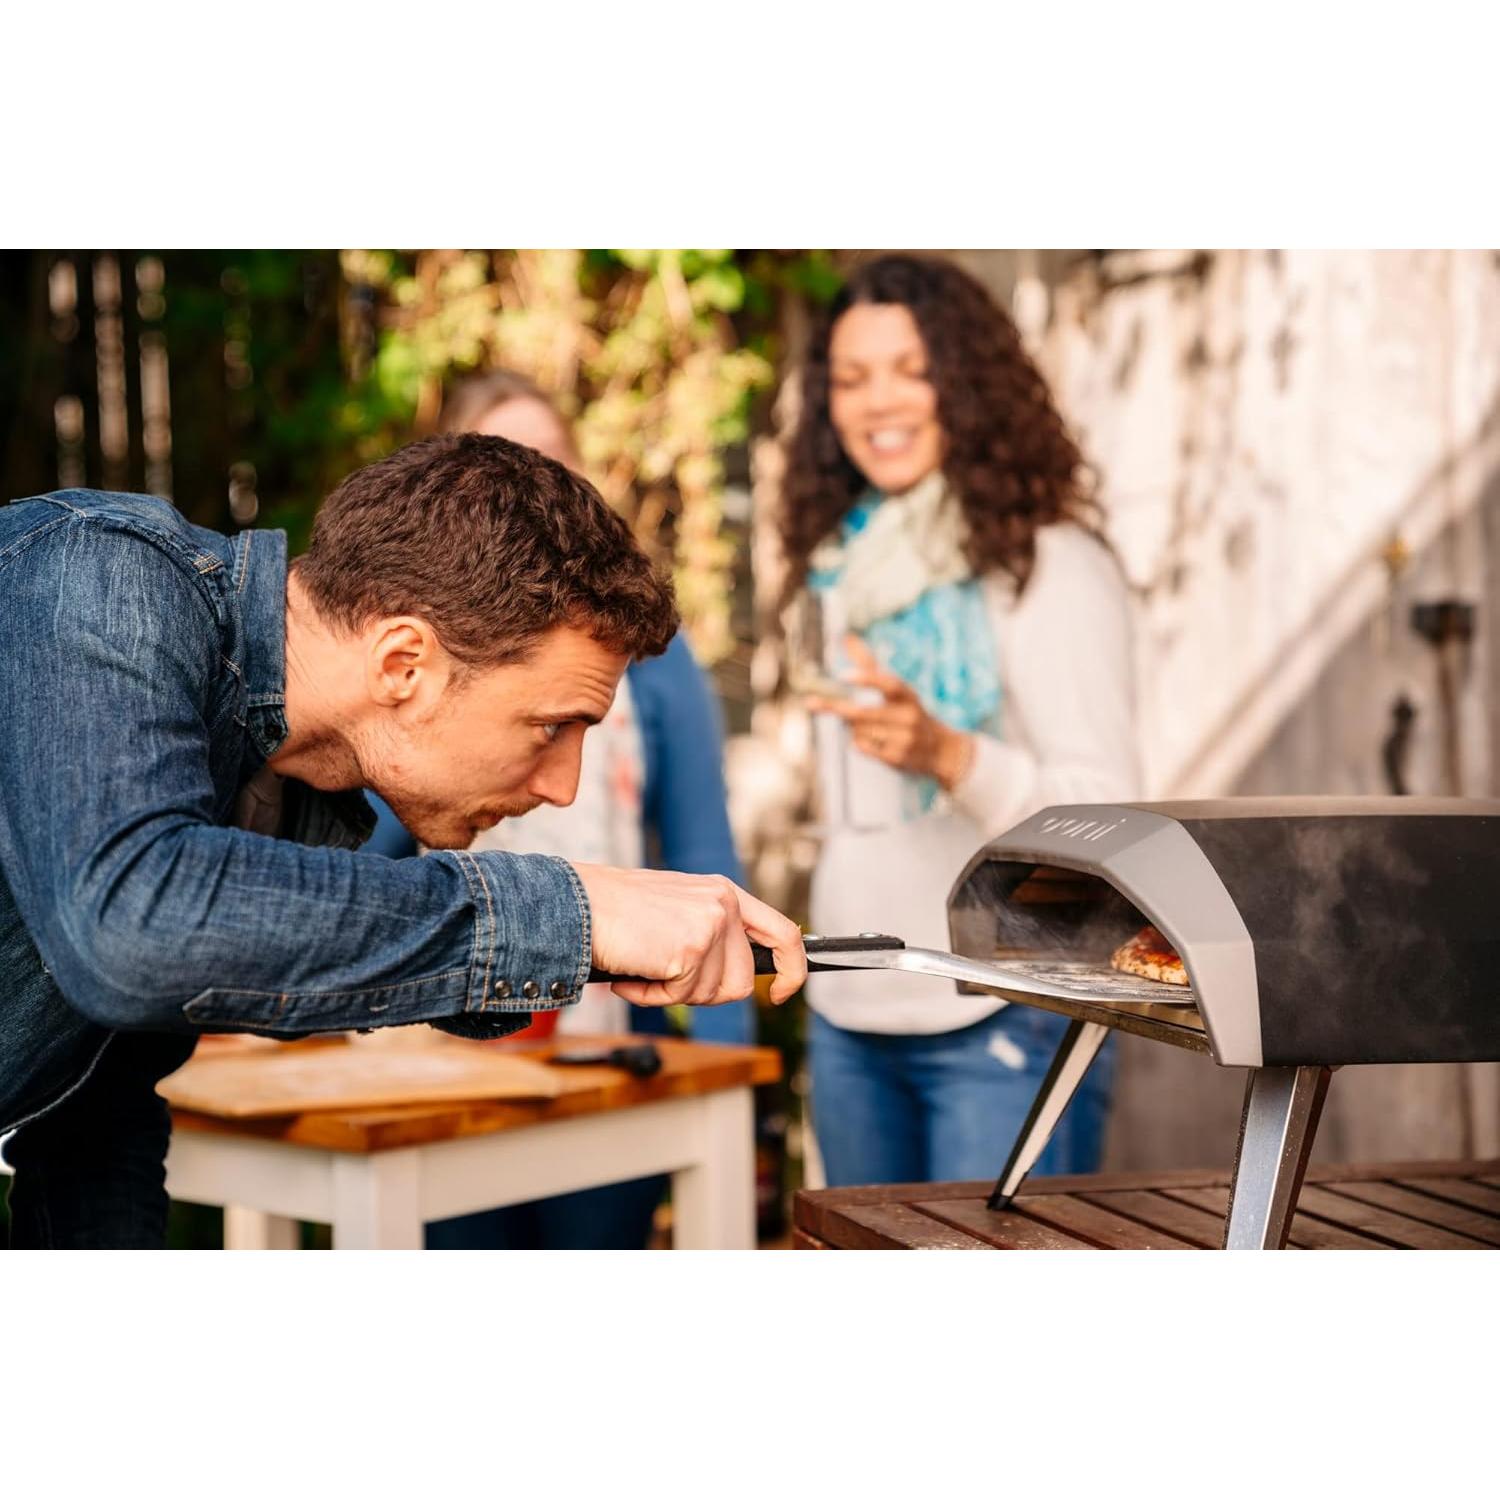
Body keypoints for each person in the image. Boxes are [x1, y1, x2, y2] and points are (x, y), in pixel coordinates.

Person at [0, 434, 806, 1248]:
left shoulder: (270, 785)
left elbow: (92, 1111)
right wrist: (576, 911)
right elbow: (133, 926)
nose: (563, 785)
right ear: (403, 664)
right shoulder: (94, 578)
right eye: (553, 725)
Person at [780, 254, 1138, 1189]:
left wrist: (950, 756)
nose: (877, 403)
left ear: (967, 384)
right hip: (853, 1013)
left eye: (912, 368)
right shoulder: (842, 567)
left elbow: (1113, 815)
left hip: (1002, 1015)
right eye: (851, 380)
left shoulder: (1045, 565)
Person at [412, 370, 753, 1248]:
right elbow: (363, 856)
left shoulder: (654, 658)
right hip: (444, 1061)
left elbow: (706, 861)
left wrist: (727, 1082)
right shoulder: (413, 664)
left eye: (553, 465)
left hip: (606, 1058)